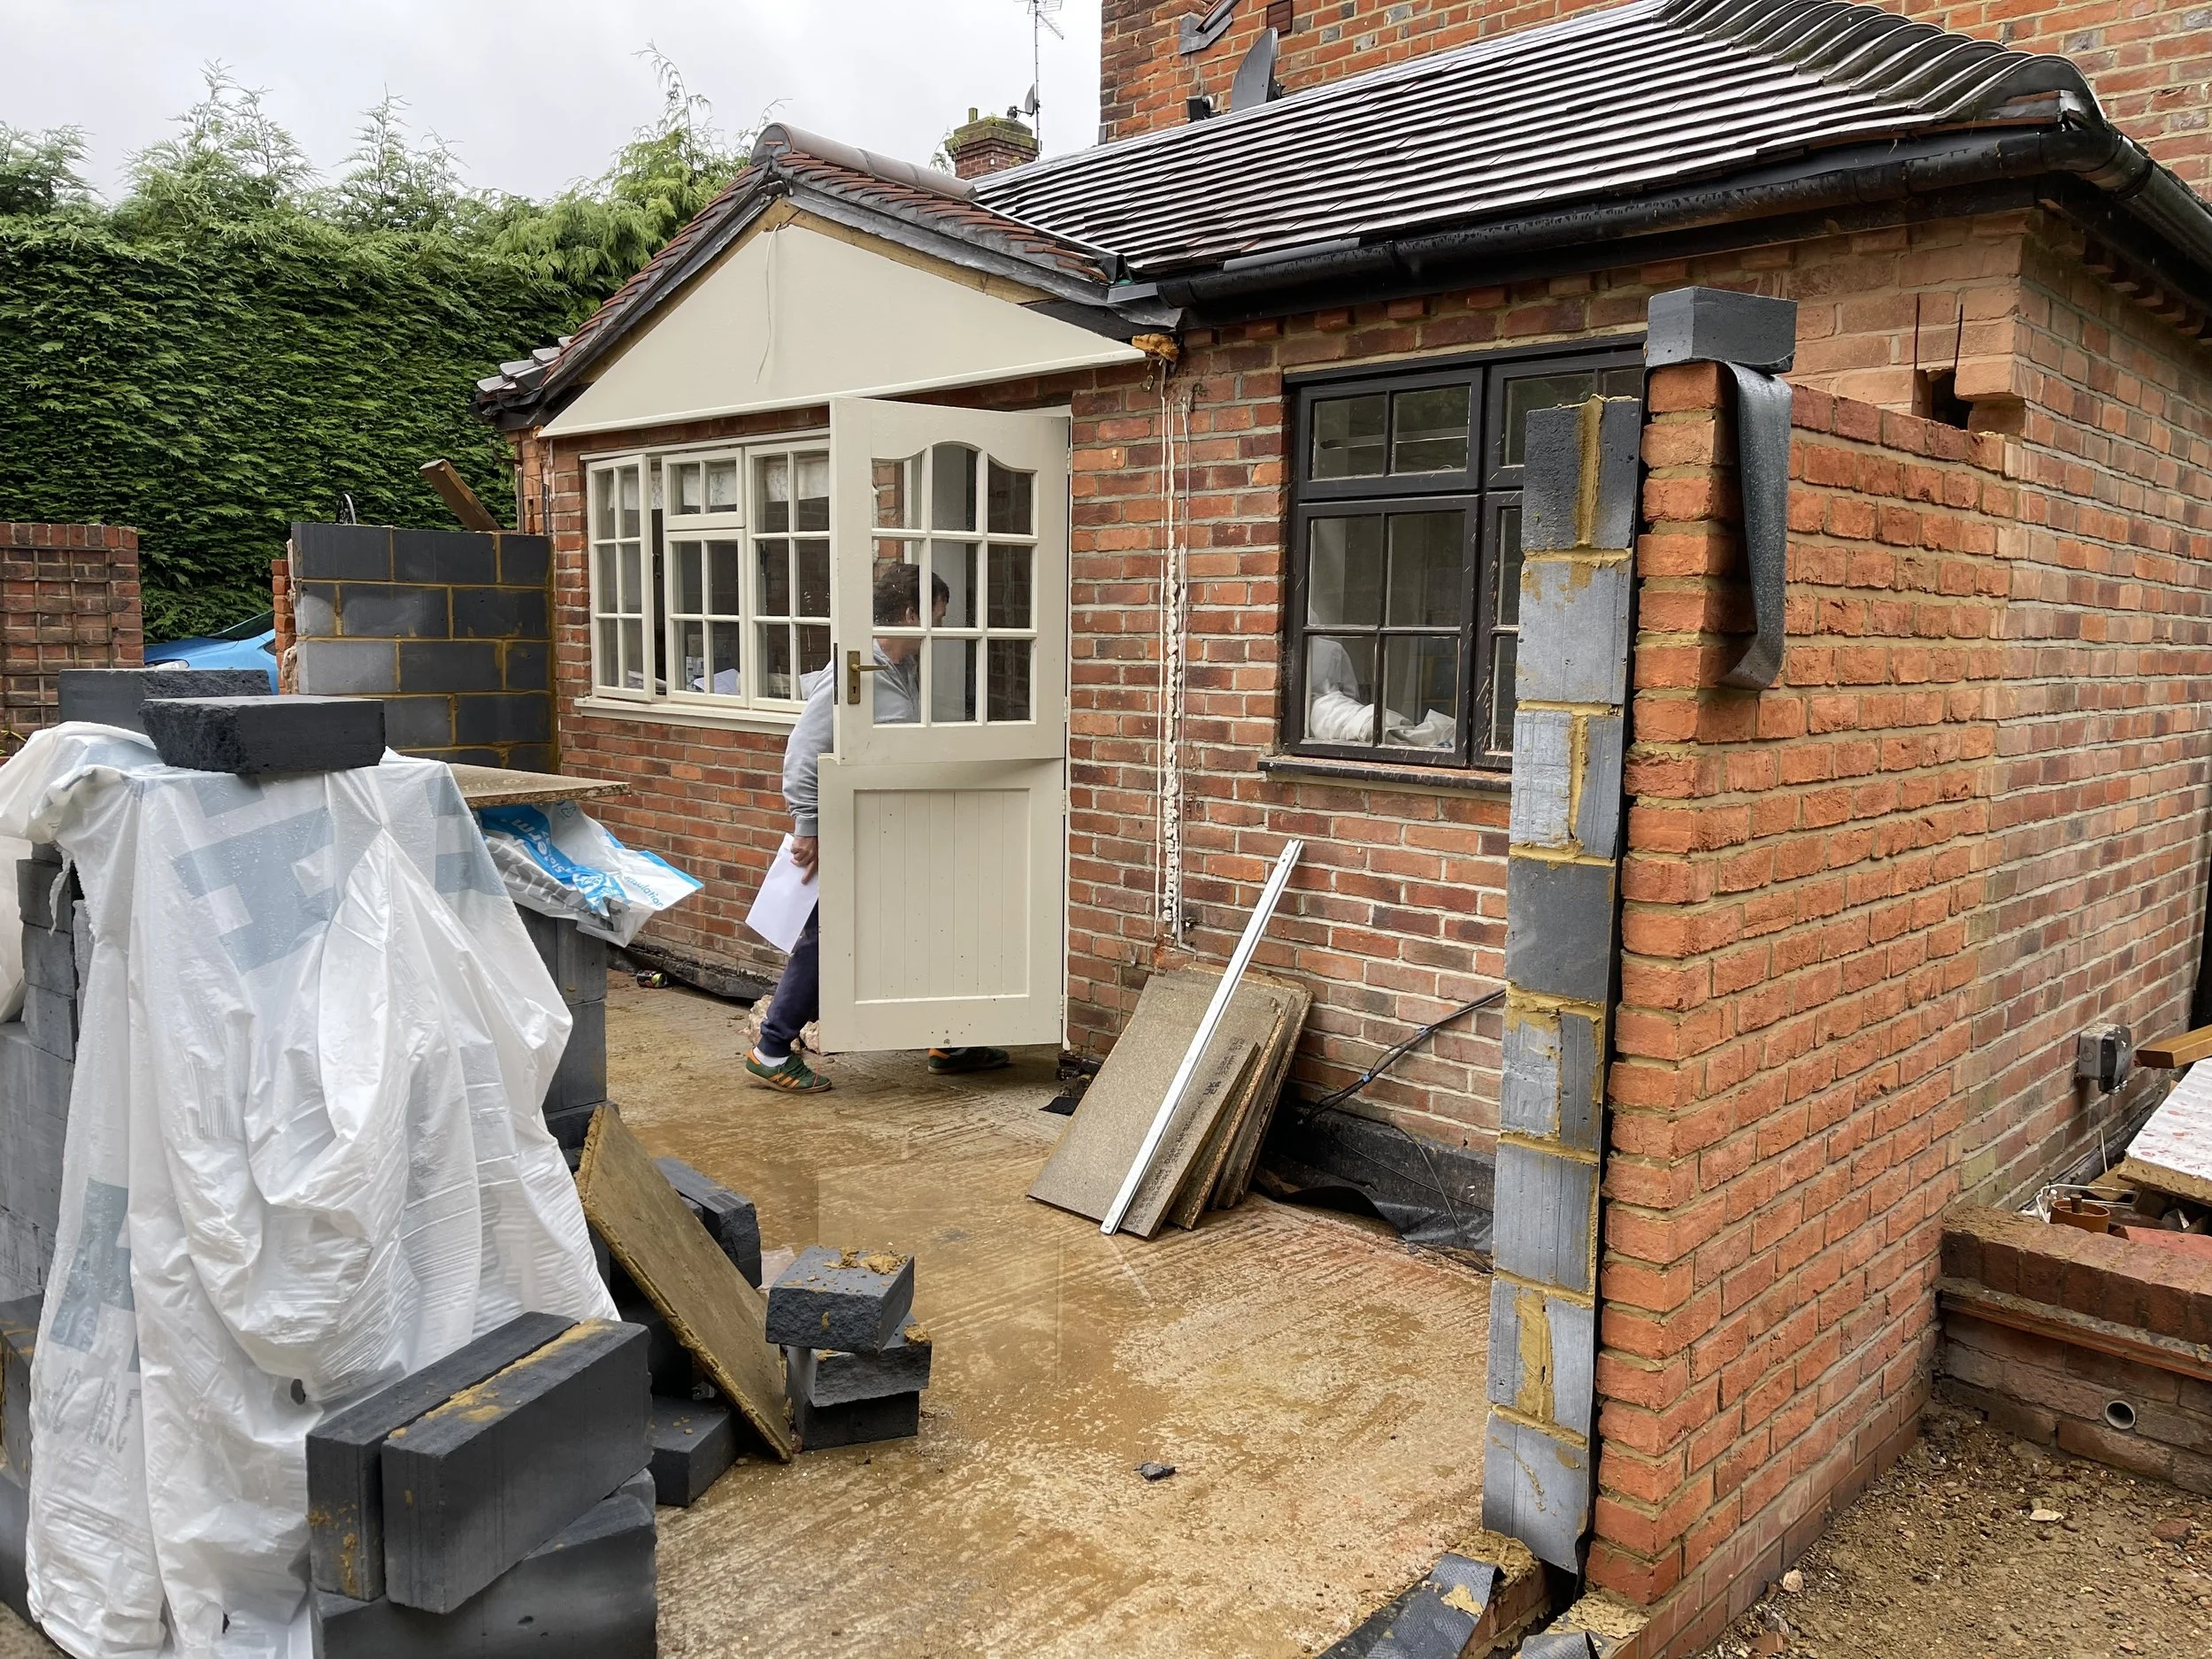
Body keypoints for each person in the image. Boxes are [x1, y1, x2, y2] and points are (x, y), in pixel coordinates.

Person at [744, 561, 1012, 1092]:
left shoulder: (899, 669)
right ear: (911, 612)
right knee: (828, 934)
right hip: (853, 825)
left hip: (895, 825)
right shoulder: (857, 668)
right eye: (936, 615)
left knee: (933, 916)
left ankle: (948, 1038)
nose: (939, 627)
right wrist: (808, 826)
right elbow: (803, 750)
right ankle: (772, 1049)